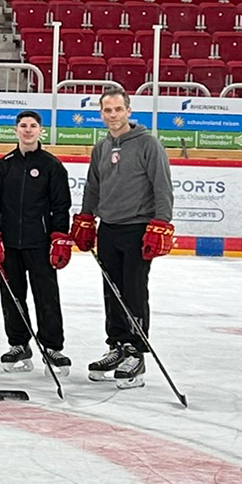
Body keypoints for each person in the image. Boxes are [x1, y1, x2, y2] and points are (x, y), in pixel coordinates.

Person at [72, 89, 173, 388]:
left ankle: (136, 351)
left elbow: (162, 187)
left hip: (138, 229)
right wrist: (87, 217)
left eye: (118, 109)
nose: (113, 115)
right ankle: (117, 345)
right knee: (111, 290)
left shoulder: (148, 144)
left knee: (134, 291)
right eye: (107, 110)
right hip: (109, 228)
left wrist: (161, 224)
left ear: (128, 111)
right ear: (101, 113)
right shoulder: (101, 148)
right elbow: (93, 186)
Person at [0, 110, 73, 374]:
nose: (28, 130)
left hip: (40, 244)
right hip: (9, 244)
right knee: (12, 296)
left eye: (33, 126)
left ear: (40, 131)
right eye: (23, 126)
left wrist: (58, 235)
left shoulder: (51, 165)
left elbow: (61, 205)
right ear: (16, 130)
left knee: (46, 296)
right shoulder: (5, 164)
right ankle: (19, 344)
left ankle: (53, 347)